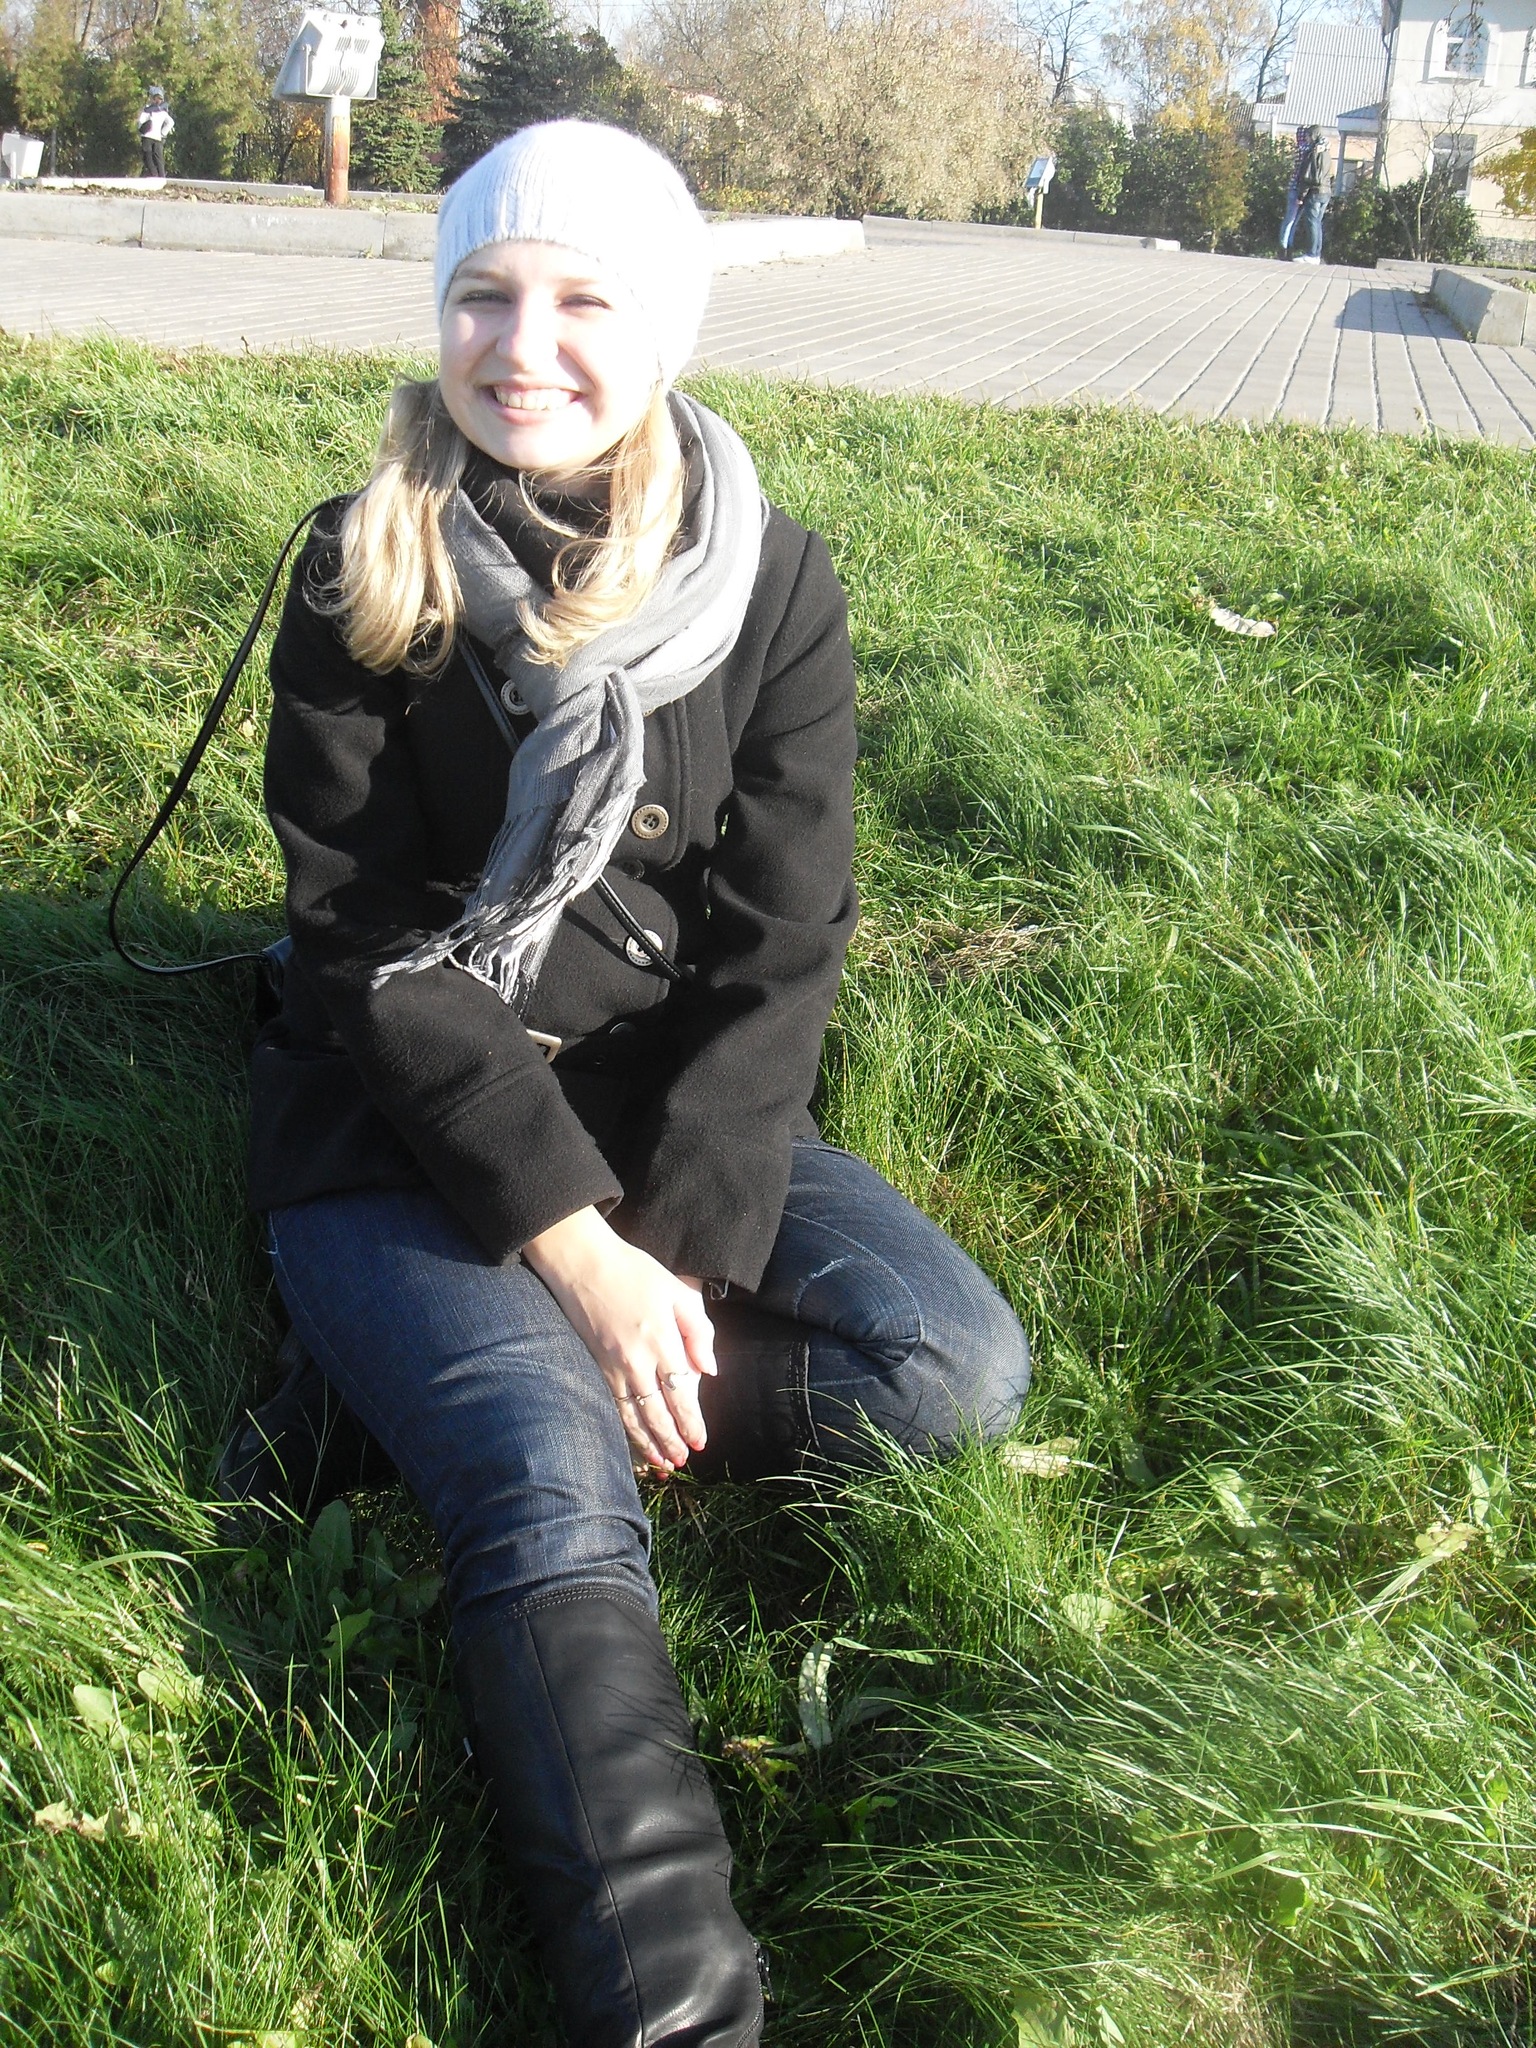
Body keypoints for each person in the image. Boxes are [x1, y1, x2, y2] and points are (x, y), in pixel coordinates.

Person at [224, 119, 1031, 2048]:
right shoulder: (363, 561)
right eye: (483, 295)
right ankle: (679, 2012)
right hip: (408, 1113)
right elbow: (363, 944)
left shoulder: (774, 582)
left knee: (952, 1370)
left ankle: (411, 1395)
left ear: (664, 325)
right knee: (545, 1481)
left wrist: (672, 1256)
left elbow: (780, 944)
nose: (524, 347)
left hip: (663, 1095)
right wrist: (578, 1263)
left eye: (584, 299)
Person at [1293, 126, 1334, 266]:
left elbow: (1308, 177)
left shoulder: (1313, 152)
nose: (1306, 138)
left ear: (1313, 135)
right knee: (1317, 223)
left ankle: (1311, 254)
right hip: (1326, 191)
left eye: (1308, 135)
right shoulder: (1326, 151)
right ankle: (1316, 254)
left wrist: (1300, 196)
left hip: (1315, 191)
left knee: (1312, 223)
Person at [1278, 125, 1311, 255]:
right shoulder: (1304, 149)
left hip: (1295, 187)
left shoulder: (1300, 149)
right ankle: (1284, 247)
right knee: (1291, 220)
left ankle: (1287, 246)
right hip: (1297, 188)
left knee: (1292, 220)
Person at [136, 86, 173, 178]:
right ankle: (162, 177)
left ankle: (154, 176)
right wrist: (163, 133)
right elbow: (171, 123)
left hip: (147, 136)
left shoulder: (147, 110)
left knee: (148, 158)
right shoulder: (163, 112)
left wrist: (141, 129)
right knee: (159, 159)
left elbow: (140, 122)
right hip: (158, 138)